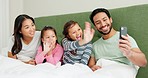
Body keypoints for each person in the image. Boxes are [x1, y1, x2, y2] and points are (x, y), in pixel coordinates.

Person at [88, 8, 147, 77]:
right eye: (98, 23)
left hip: (122, 71)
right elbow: (91, 66)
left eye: (105, 20)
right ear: (95, 27)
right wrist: (93, 68)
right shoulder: (94, 45)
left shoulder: (125, 39)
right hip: (102, 71)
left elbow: (143, 62)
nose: (103, 24)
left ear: (110, 20)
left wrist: (129, 53)